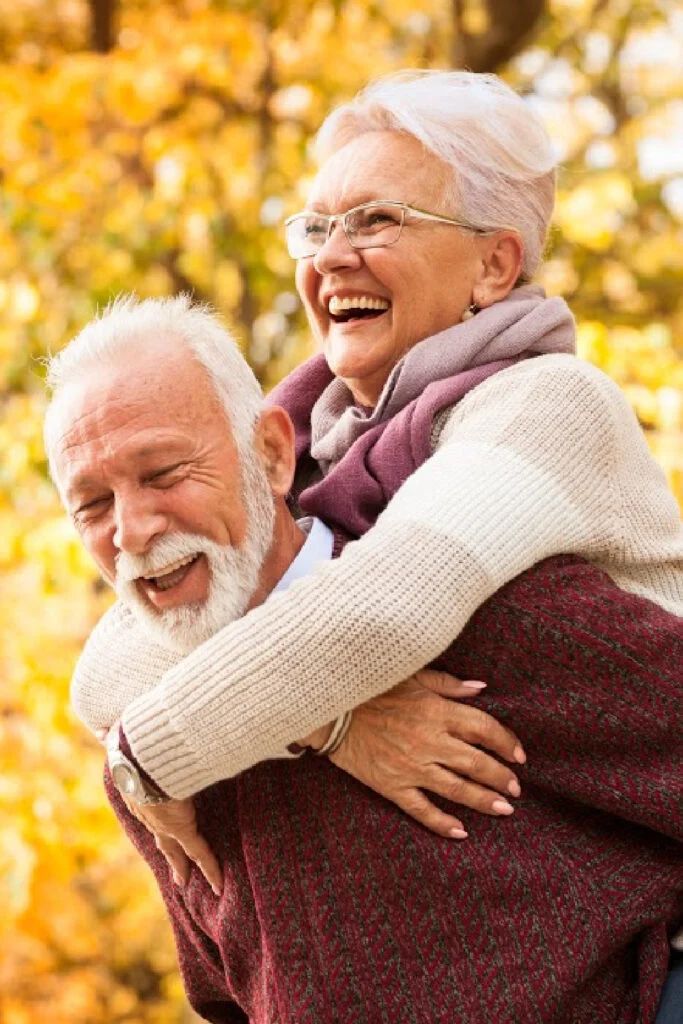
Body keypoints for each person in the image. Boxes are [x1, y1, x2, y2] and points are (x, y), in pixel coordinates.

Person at [58, 67, 683, 1015]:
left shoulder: (546, 405)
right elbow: (116, 656)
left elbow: (385, 609)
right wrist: (333, 723)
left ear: (493, 265)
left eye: (376, 221)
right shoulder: (304, 442)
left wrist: (147, 757)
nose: (331, 257)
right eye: (315, 227)